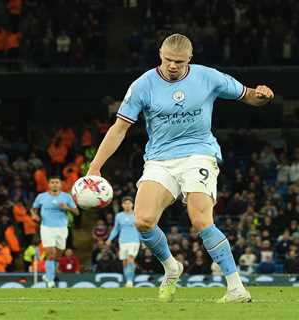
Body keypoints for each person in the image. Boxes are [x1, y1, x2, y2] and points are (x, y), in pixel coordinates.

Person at [87, 34, 274, 303]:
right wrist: (95, 167)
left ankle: (235, 288)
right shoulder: (143, 85)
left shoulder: (207, 77)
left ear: (190, 59)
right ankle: (171, 266)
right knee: (143, 221)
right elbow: (119, 129)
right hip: (160, 159)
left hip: (199, 153)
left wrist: (262, 95)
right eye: (167, 60)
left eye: (179, 61)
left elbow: (248, 96)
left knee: (200, 219)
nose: (172, 66)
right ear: (160, 54)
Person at [31, 176, 79, 288]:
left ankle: (49, 275)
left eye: (57, 182)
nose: (54, 184)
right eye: (52, 182)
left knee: (58, 255)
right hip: (47, 228)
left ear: (61, 184)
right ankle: (50, 279)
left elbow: (77, 212)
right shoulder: (41, 197)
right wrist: (34, 215)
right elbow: (33, 209)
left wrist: (67, 208)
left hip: (62, 228)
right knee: (51, 253)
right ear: (48, 184)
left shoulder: (66, 197)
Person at [106, 196, 141, 288]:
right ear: (122, 205)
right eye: (125, 203)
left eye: (129, 203)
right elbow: (116, 229)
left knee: (130, 259)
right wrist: (110, 239)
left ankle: (130, 281)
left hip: (134, 240)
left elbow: (141, 229)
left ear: (133, 205)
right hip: (122, 241)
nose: (127, 205)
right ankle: (128, 280)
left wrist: (144, 241)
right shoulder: (119, 216)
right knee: (124, 262)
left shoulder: (137, 215)